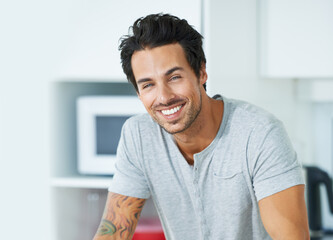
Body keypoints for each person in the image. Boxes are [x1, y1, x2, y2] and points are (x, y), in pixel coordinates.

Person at [93, 13, 309, 240]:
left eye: (174, 77)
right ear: (139, 93)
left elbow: (292, 237)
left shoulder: (259, 134)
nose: (164, 97)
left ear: (201, 72)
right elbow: (113, 232)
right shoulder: (138, 136)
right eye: (148, 85)